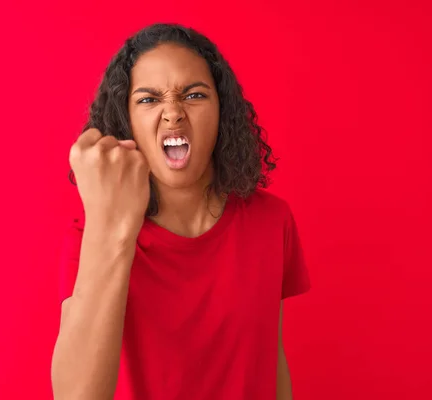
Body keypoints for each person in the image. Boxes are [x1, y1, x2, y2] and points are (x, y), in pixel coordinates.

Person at [51, 23, 311, 400]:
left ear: (223, 112)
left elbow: (271, 361)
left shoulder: (272, 222)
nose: (173, 113)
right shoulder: (88, 238)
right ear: (128, 124)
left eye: (193, 95)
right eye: (148, 100)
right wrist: (114, 229)